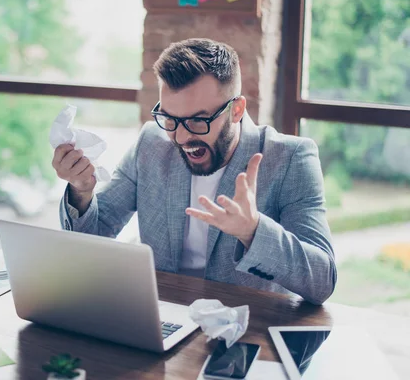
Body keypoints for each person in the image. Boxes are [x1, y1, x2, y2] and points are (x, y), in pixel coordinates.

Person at [52, 38, 336, 305]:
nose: (181, 137)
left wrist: (252, 231)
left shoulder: (291, 158)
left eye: (198, 121)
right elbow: (93, 237)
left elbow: (322, 281)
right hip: (159, 317)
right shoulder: (152, 143)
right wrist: (81, 190)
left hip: (242, 330)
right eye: (170, 119)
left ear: (236, 110)